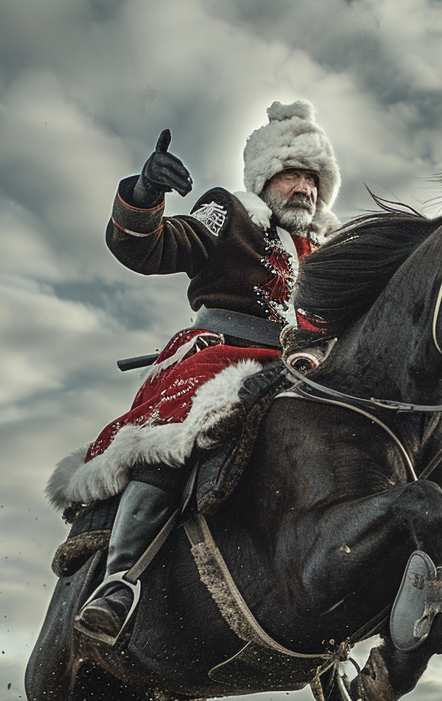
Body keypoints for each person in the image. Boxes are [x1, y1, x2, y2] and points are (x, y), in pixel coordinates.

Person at [47, 100, 343, 645]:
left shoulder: (331, 251)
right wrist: (144, 195)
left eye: (312, 176)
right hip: (224, 352)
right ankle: (120, 583)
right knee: (177, 431)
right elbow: (153, 246)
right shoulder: (228, 213)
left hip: (304, 370)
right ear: (265, 178)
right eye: (292, 173)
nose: (304, 187)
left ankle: (336, 631)